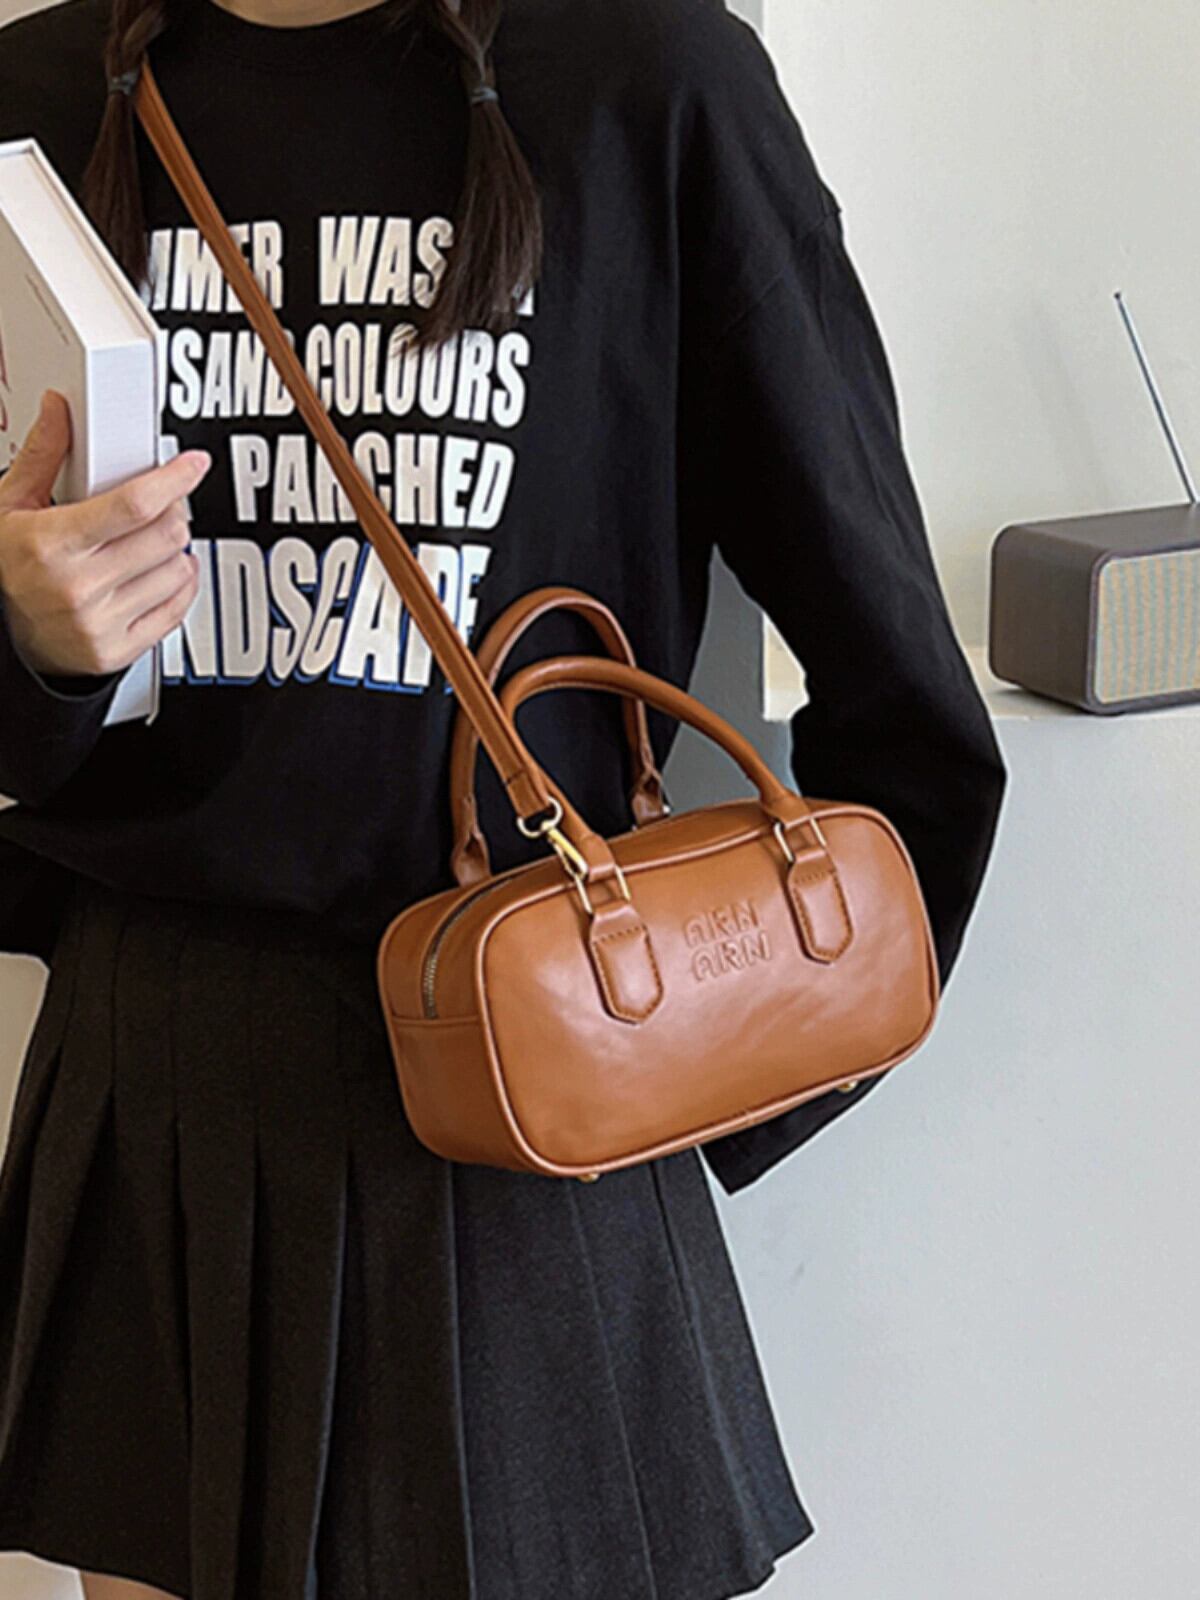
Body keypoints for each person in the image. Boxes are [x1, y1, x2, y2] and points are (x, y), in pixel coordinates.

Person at [0, 0, 1009, 1595]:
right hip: (160, 1102)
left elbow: (907, 704)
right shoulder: (34, 98)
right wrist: (33, 647)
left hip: (529, 1104)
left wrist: (713, 1071)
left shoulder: (646, 81)